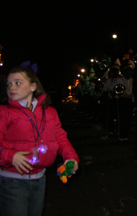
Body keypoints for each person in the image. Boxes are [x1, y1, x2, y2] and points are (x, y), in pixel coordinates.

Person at [0, 66, 79, 216]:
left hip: (40, 180)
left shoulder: (50, 112)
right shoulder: (4, 112)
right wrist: (10, 156)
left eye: (18, 83)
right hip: (12, 181)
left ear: (33, 86)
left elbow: (60, 138)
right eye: (9, 84)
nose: (12, 87)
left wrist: (71, 157)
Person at [118, 60, 135, 141]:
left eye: (130, 71)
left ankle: (126, 135)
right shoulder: (120, 79)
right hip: (122, 100)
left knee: (128, 119)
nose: (129, 73)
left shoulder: (133, 80)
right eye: (128, 71)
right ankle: (122, 135)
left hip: (130, 101)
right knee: (122, 118)